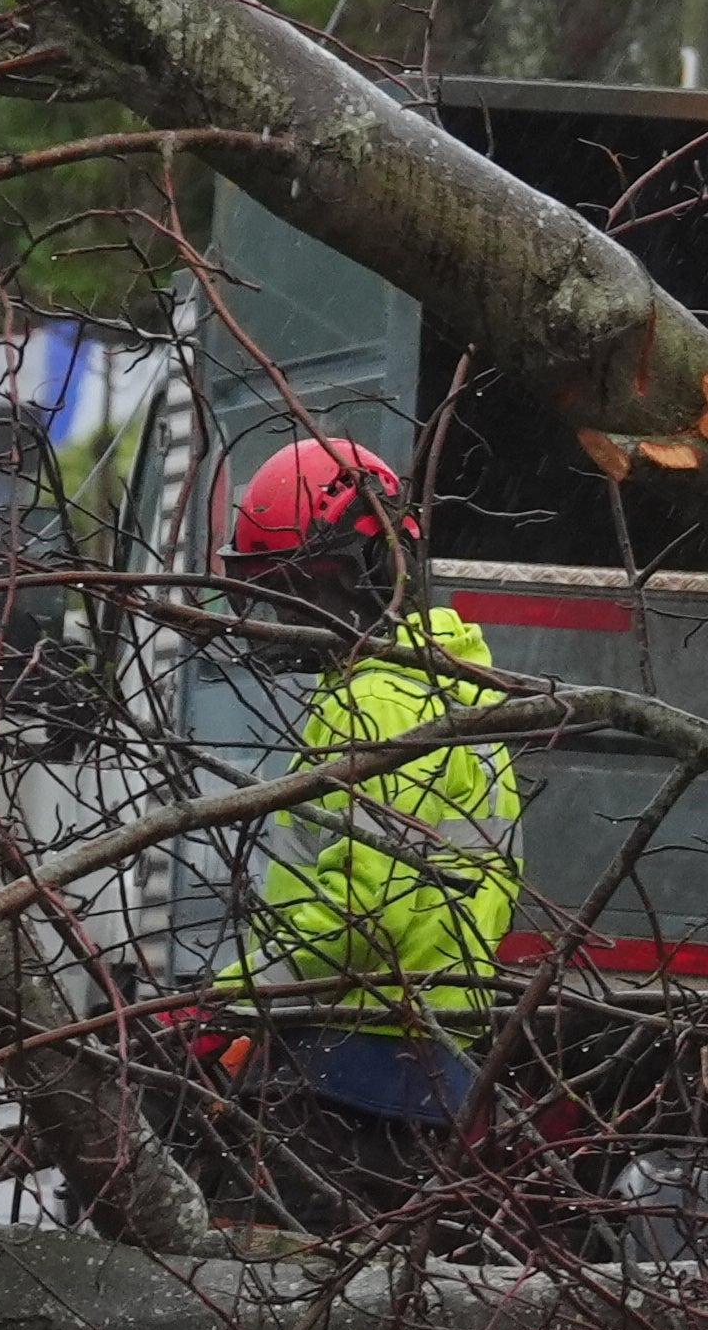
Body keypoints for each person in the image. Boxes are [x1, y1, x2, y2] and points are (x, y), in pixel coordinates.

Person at [205, 433, 518, 1193]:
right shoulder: (455, 688)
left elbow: (360, 914)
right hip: (430, 1058)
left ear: (366, 571)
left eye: (299, 586)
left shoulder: (372, 702)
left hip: (352, 1065)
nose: (281, 613)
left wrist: (232, 1002)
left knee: (261, 1270)